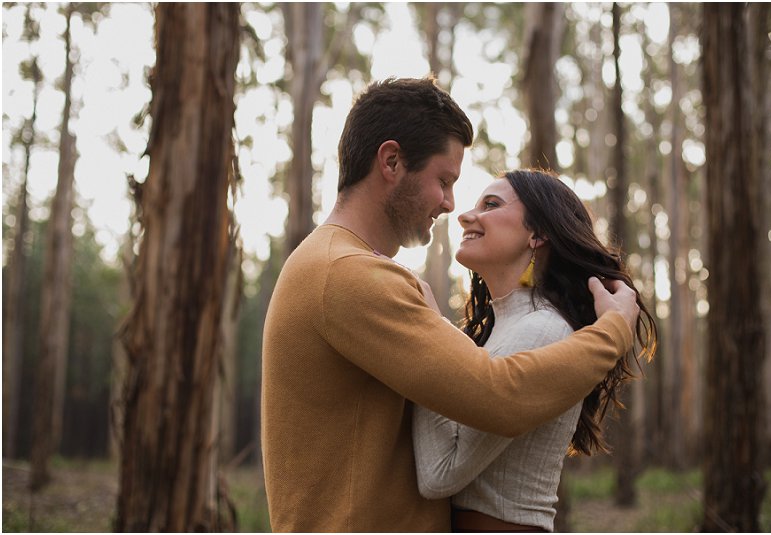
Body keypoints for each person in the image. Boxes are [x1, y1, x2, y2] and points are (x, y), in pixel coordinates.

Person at [261, 77, 640, 532]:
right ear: (392, 161)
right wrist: (612, 332)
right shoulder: (346, 273)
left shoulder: (334, 265)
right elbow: (496, 394)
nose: (450, 204)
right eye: (444, 181)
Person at [413, 169, 658, 532]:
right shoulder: (505, 329)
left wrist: (424, 332)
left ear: (537, 234)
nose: (465, 215)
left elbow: (440, 474)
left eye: (491, 205)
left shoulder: (543, 329)